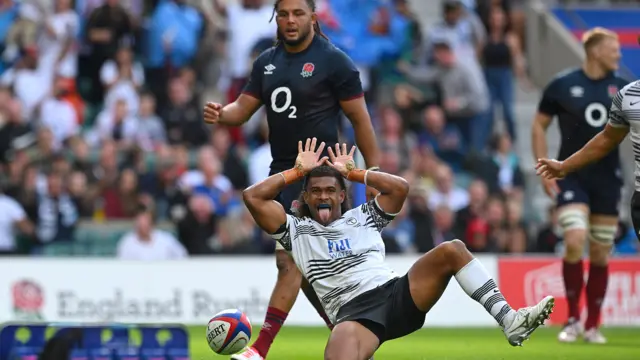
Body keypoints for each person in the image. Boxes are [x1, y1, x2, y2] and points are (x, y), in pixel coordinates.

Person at [243, 137, 555, 360]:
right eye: (315, 191)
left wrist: (354, 173)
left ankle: (510, 321)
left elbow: (400, 188)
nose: (323, 196)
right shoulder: (295, 231)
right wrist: (297, 172)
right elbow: (253, 197)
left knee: (452, 249)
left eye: (330, 190)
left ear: (341, 196)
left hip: (396, 295)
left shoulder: (362, 216)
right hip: (354, 315)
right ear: (307, 197)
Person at [202, 1, 380, 359]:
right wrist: (223, 114)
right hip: (283, 172)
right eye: (283, 14)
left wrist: (372, 173)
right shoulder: (266, 62)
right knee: (302, 264)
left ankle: (259, 350)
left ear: (313, 16)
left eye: (298, 13)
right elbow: (243, 108)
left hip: (323, 177)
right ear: (275, 18)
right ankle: (345, 332)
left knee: (291, 262)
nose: (290, 20)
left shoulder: (335, 61)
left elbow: (361, 121)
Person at [530, 27, 629, 344]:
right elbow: (538, 124)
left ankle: (592, 325)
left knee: (600, 252)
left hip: (608, 179)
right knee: (574, 238)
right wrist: (544, 165)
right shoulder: (562, 84)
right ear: (596, 50)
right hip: (570, 175)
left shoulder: (624, 89)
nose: (619, 53)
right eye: (614, 48)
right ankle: (572, 319)